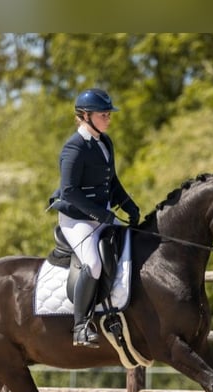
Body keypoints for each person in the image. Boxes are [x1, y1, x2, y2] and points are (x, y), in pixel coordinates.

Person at [47, 88, 141, 348]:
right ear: (85, 116)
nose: (108, 118)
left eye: (109, 113)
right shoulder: (74, 148)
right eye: (103, 114)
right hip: (76, 220)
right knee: (93, 263)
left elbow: (112, 181)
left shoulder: (105, 142)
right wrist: (101, 214)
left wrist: (128, 204)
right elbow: (69, 191)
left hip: (102, 216)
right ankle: (80, 326)